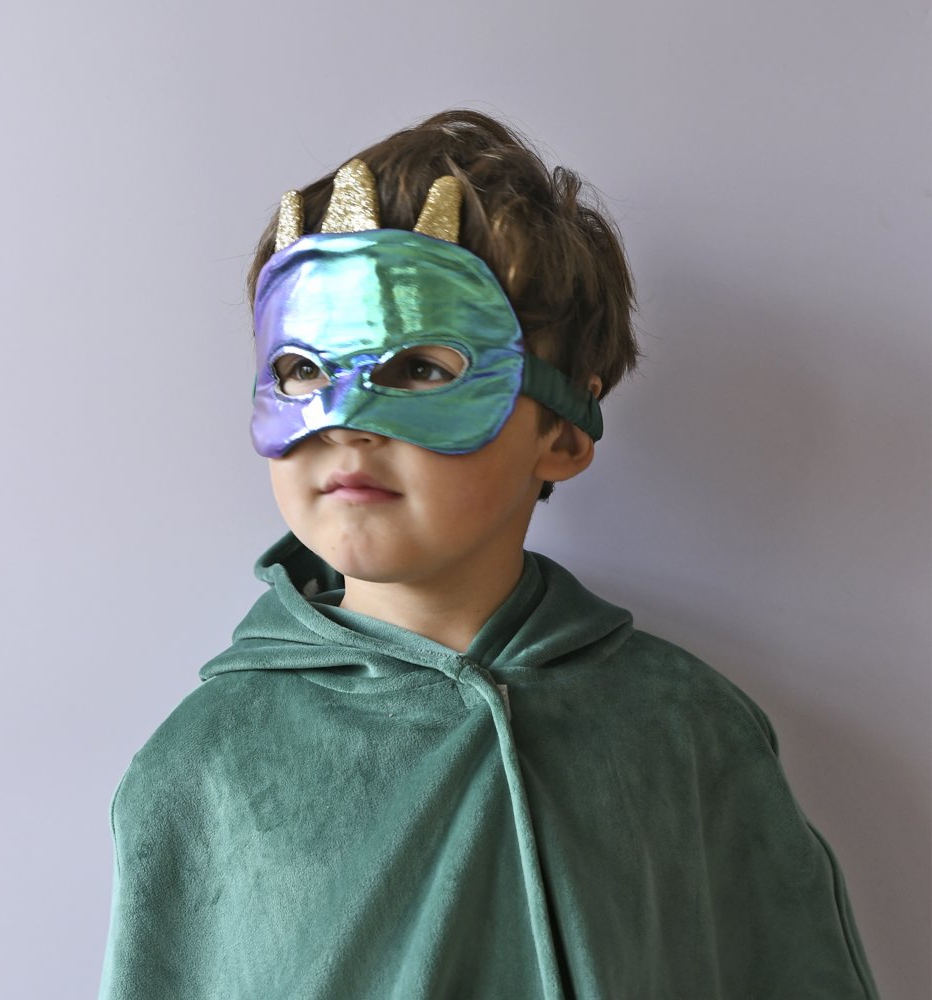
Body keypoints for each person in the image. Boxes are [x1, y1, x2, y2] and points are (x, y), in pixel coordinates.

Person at [98, 110, 880, 999]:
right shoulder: (204, 766)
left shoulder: (689, 732)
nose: (345, 425)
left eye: (422, 370)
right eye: (302, 370)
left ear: (564, 433)